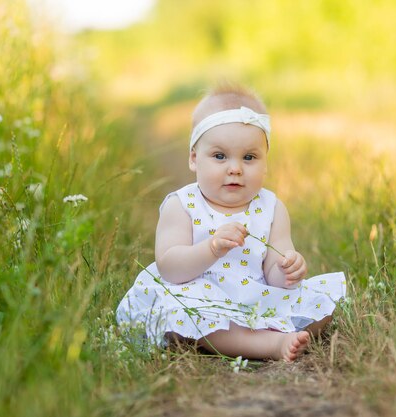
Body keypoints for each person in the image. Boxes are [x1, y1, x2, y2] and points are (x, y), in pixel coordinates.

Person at [116, 83, 346, 362]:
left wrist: (288, 269)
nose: (235, 168)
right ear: (194, 158)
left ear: (265, 163)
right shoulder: (183, 205)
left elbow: (273, 269)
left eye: (249, 157)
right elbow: (170, 268)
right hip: (198, 296)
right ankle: (270, 344)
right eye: (220, 156)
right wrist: (212, 248)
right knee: (188, 314)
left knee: (322, 306)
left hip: (252, 299)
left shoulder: (271, 207)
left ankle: (260, 335)